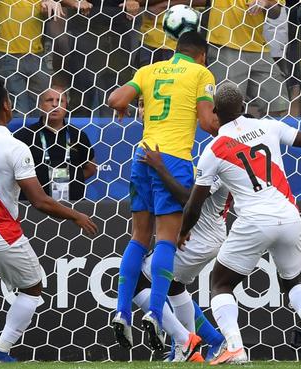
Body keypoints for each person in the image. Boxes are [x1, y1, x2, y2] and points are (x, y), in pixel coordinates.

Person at [178, 83, 301, 364]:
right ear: (243, 107)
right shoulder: (269, 125)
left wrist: (183, 231)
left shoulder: (214, 149)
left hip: (255, 220)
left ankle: (235, 348)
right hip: (289, 215)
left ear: (215, 113)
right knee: (293, 282)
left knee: (220, 284)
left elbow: (195, 202)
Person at [0, 77, 97, 363]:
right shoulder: (15, 147)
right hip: (2, 233)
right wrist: (77, 215)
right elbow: (39, 200)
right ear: (7, 106)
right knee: (33, 288)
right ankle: (0, 352)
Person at [107, 31, 217, 351]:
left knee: (138, 238)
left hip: (142, 155)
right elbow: (208, 122)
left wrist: (127, 107)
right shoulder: (201, 73)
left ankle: (122, 311)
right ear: (202, 55)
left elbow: (115, 100)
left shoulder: (148, 70)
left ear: (175, 50)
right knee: (166, 239)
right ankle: (155, 313)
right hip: (174, 160)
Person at [137, 142, 228, 360]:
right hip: (205, 235)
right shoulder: (223, 156)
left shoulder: (223, 164)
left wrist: (160, 167)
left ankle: (184, 342)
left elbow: (188, 199)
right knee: (174, 287)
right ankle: (206, 344)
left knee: (138, 282)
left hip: (198, 238)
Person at [207, 0, 288, 117]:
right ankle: (230, 135)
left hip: (258, 47)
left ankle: (264, 134)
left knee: (276, 102)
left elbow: (275, 13)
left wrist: (265, 2)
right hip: (226, 45)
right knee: (229, 107)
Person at [14, 86, 97, 201]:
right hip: (35, 206)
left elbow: (90, 168)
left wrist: (74, 180)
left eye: (60, 101)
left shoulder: (78, 136)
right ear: (40, 105)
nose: (55, 105)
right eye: (49, 100)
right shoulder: (25, 136)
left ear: (66, 106)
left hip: (73, 206)